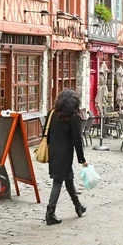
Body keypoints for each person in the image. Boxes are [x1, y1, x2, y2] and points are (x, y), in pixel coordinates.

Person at [45, 89, 88, 225]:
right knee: (58, 181)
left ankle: (78, 206)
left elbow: (45, 132)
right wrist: (82, 159)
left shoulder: (51, 113)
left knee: (68, 178)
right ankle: (50, 212)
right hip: (65, 154)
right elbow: (77, 140)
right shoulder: (74, 117)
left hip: (53, 152)